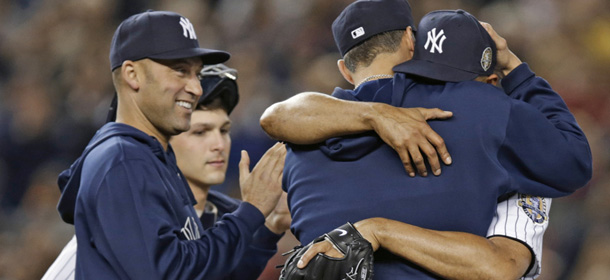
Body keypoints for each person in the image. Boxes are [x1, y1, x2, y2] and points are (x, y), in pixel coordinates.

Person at [261, 2, 591, 279]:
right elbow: (574, 163)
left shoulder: (298, 143)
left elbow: (276, 117)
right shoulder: (479, 109)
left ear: (345, 70)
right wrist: (518, 71)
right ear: (412, 42)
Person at [55, 11, 287, 279]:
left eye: (196, 73)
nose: (196, 88)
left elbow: (199, 272)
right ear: (132, 74)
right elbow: (169, 274)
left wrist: (266, 226)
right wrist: (250, 212)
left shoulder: (154, 159)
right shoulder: (124, 160)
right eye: (180, 71)